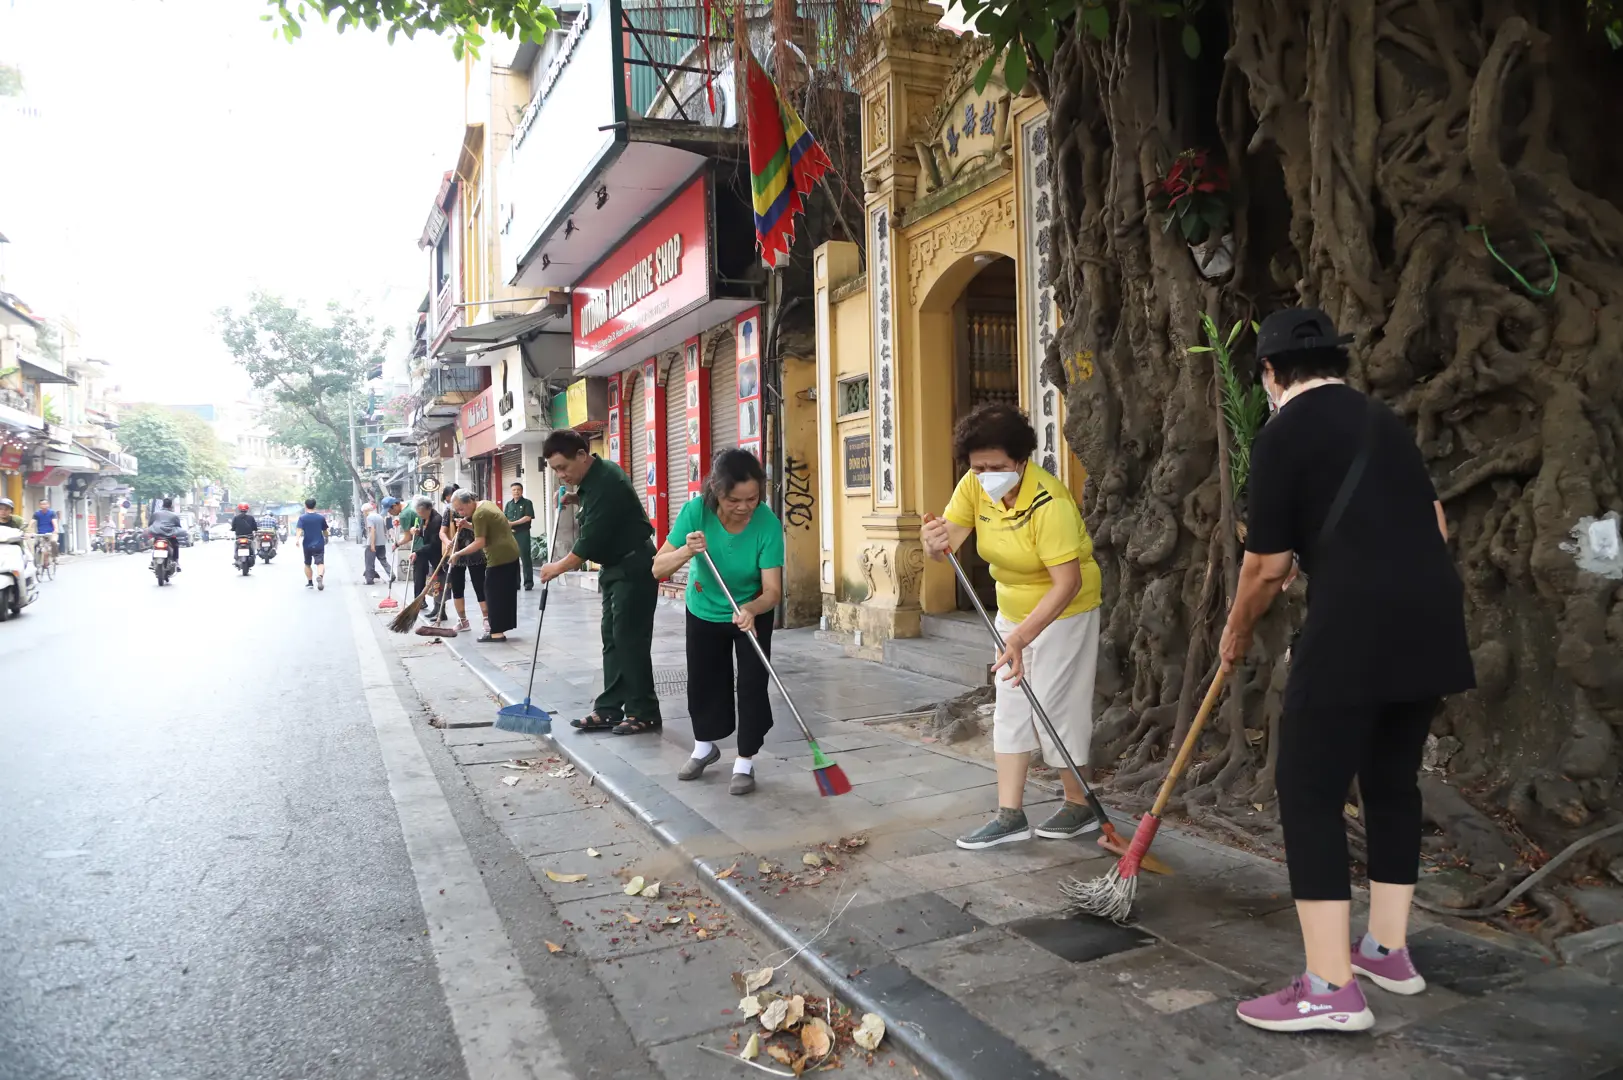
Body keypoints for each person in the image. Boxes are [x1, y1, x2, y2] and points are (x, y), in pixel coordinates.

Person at [1217, 308, 1474, 1033]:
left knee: (1306, 789)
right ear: (1339, 361)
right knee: (1391, 780)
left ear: (1268, 374)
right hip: (1429, 619)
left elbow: (1264, 567)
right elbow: (1435, 525)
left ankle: (1329, 987)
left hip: (1353, 626)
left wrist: (1234, 630)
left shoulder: (1279, 435)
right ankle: (1386, 950)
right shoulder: (1382, 422)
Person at [920, 402, 1104, 851]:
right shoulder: (974, 486)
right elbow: (949, 545)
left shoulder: (1050, 503)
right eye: (978, 466)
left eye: (996, 466)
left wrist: (1022, 637)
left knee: (1056, 703)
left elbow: (1067, 582)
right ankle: (1009, 814)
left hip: (1065, 611)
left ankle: (1078, 805)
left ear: (1021, 461)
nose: (986, 475)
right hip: (1011, 609)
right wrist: (932, 543)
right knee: (1011, 703)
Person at [652, 449, 784, 795]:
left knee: (753, 683)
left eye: (752, 498)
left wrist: (753, 609)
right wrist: (686, 551)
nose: (744, 507)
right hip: (704, 608)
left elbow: (772, 590)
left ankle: (745, 760)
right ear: (716, 491)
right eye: (734, 500)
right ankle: (704, 746)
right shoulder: (695, 512)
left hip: (750, 612)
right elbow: (657, 568)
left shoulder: (767, 524)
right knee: (704, 681)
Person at [539, 430, 661, 736]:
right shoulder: (596, 476)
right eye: (555, 470)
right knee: (612, 637)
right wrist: (575, 496)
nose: (561, 475)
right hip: (616, 568)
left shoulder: (606, 483)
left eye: (563, 467)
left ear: (582, 456)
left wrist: (557, 568)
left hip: (633, 566)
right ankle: (609, 708)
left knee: (629, 639)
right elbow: (594, 501)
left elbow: (587, 546)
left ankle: (643, 712)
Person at [448, 489, 520, 642]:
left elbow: (480, 542)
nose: (460, 512)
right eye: (457, 510)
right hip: (509, 552)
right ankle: (500, 628)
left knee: (493, 593)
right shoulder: (485, 504)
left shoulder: (479, 514)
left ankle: (497, 633)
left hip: (500, 556)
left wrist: (458, 554)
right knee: (503, 593)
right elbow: (488, 530)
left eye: (461, 508)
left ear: (469, 502)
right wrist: (467, 525)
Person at [439, 499, 486, 632]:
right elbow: (442, 532)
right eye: (457, 507)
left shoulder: (477, 510)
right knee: (457, 587)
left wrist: (467, 524)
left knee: (480, 586)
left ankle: (487, 618)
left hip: (475, 551)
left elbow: (483, 530)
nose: (459, 510)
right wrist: (447, 541)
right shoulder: (449, 511)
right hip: (455, 552)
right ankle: (462, 620)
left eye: (461, 507)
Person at [407, 495, 444, 616]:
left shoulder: (437, 520)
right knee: (434, 582)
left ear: (428, 508)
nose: (420, 515)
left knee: (439, 582)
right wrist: (418, 532)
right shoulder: (425, 519)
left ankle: (440, 611)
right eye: (418, 513)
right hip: (430, 553)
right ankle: (436, 609)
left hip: (438, 555)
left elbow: (434, 543)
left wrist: (417, 552)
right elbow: (426, 536)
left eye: (421, 512)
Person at [504, 482, 538, 590]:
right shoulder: (509, 504)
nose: (516, 492)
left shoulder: (527, 503)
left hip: (523, 533)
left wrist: (513, 523)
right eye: (514, 490)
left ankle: (528, 582)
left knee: (525, 557)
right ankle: (515, 582)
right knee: (513, 559)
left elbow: (528, 517)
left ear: (522, 491)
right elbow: (504, 518)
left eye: (518, 489)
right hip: (511, 534)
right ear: (511, 492)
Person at [295, 498, 329, 591]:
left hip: (307, 544)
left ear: (305, 506)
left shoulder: (302, 518)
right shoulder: (320, 517)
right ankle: (320, 576)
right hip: (319, 544)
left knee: (307, 564)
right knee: (320, 563)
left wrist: (297, 540)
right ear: (315, 505)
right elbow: (325, 530)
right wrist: (327, 537)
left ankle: (310, 582)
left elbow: (299, 529)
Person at [147, 498, 185, 570]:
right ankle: (176, 562)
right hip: (169, 535)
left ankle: (152, 561)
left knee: (154, 545)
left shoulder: (155, 514)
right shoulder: (174, 515)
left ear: (163, 504)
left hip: (157, 535)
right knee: (176, 545)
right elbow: (178, 526)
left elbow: (150, 524)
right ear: (171, 505)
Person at [363, 502, 393, 585]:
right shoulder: (379, 516)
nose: (363, 514)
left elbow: (372, 530)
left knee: (369, 562)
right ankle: (391, 574)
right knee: (383, 560)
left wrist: (372, 544)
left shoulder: (370, 517)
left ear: (366, 510)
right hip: (381, 543)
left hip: (372, 543)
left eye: (363, 512)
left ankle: (369, 579)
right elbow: (384, 529)